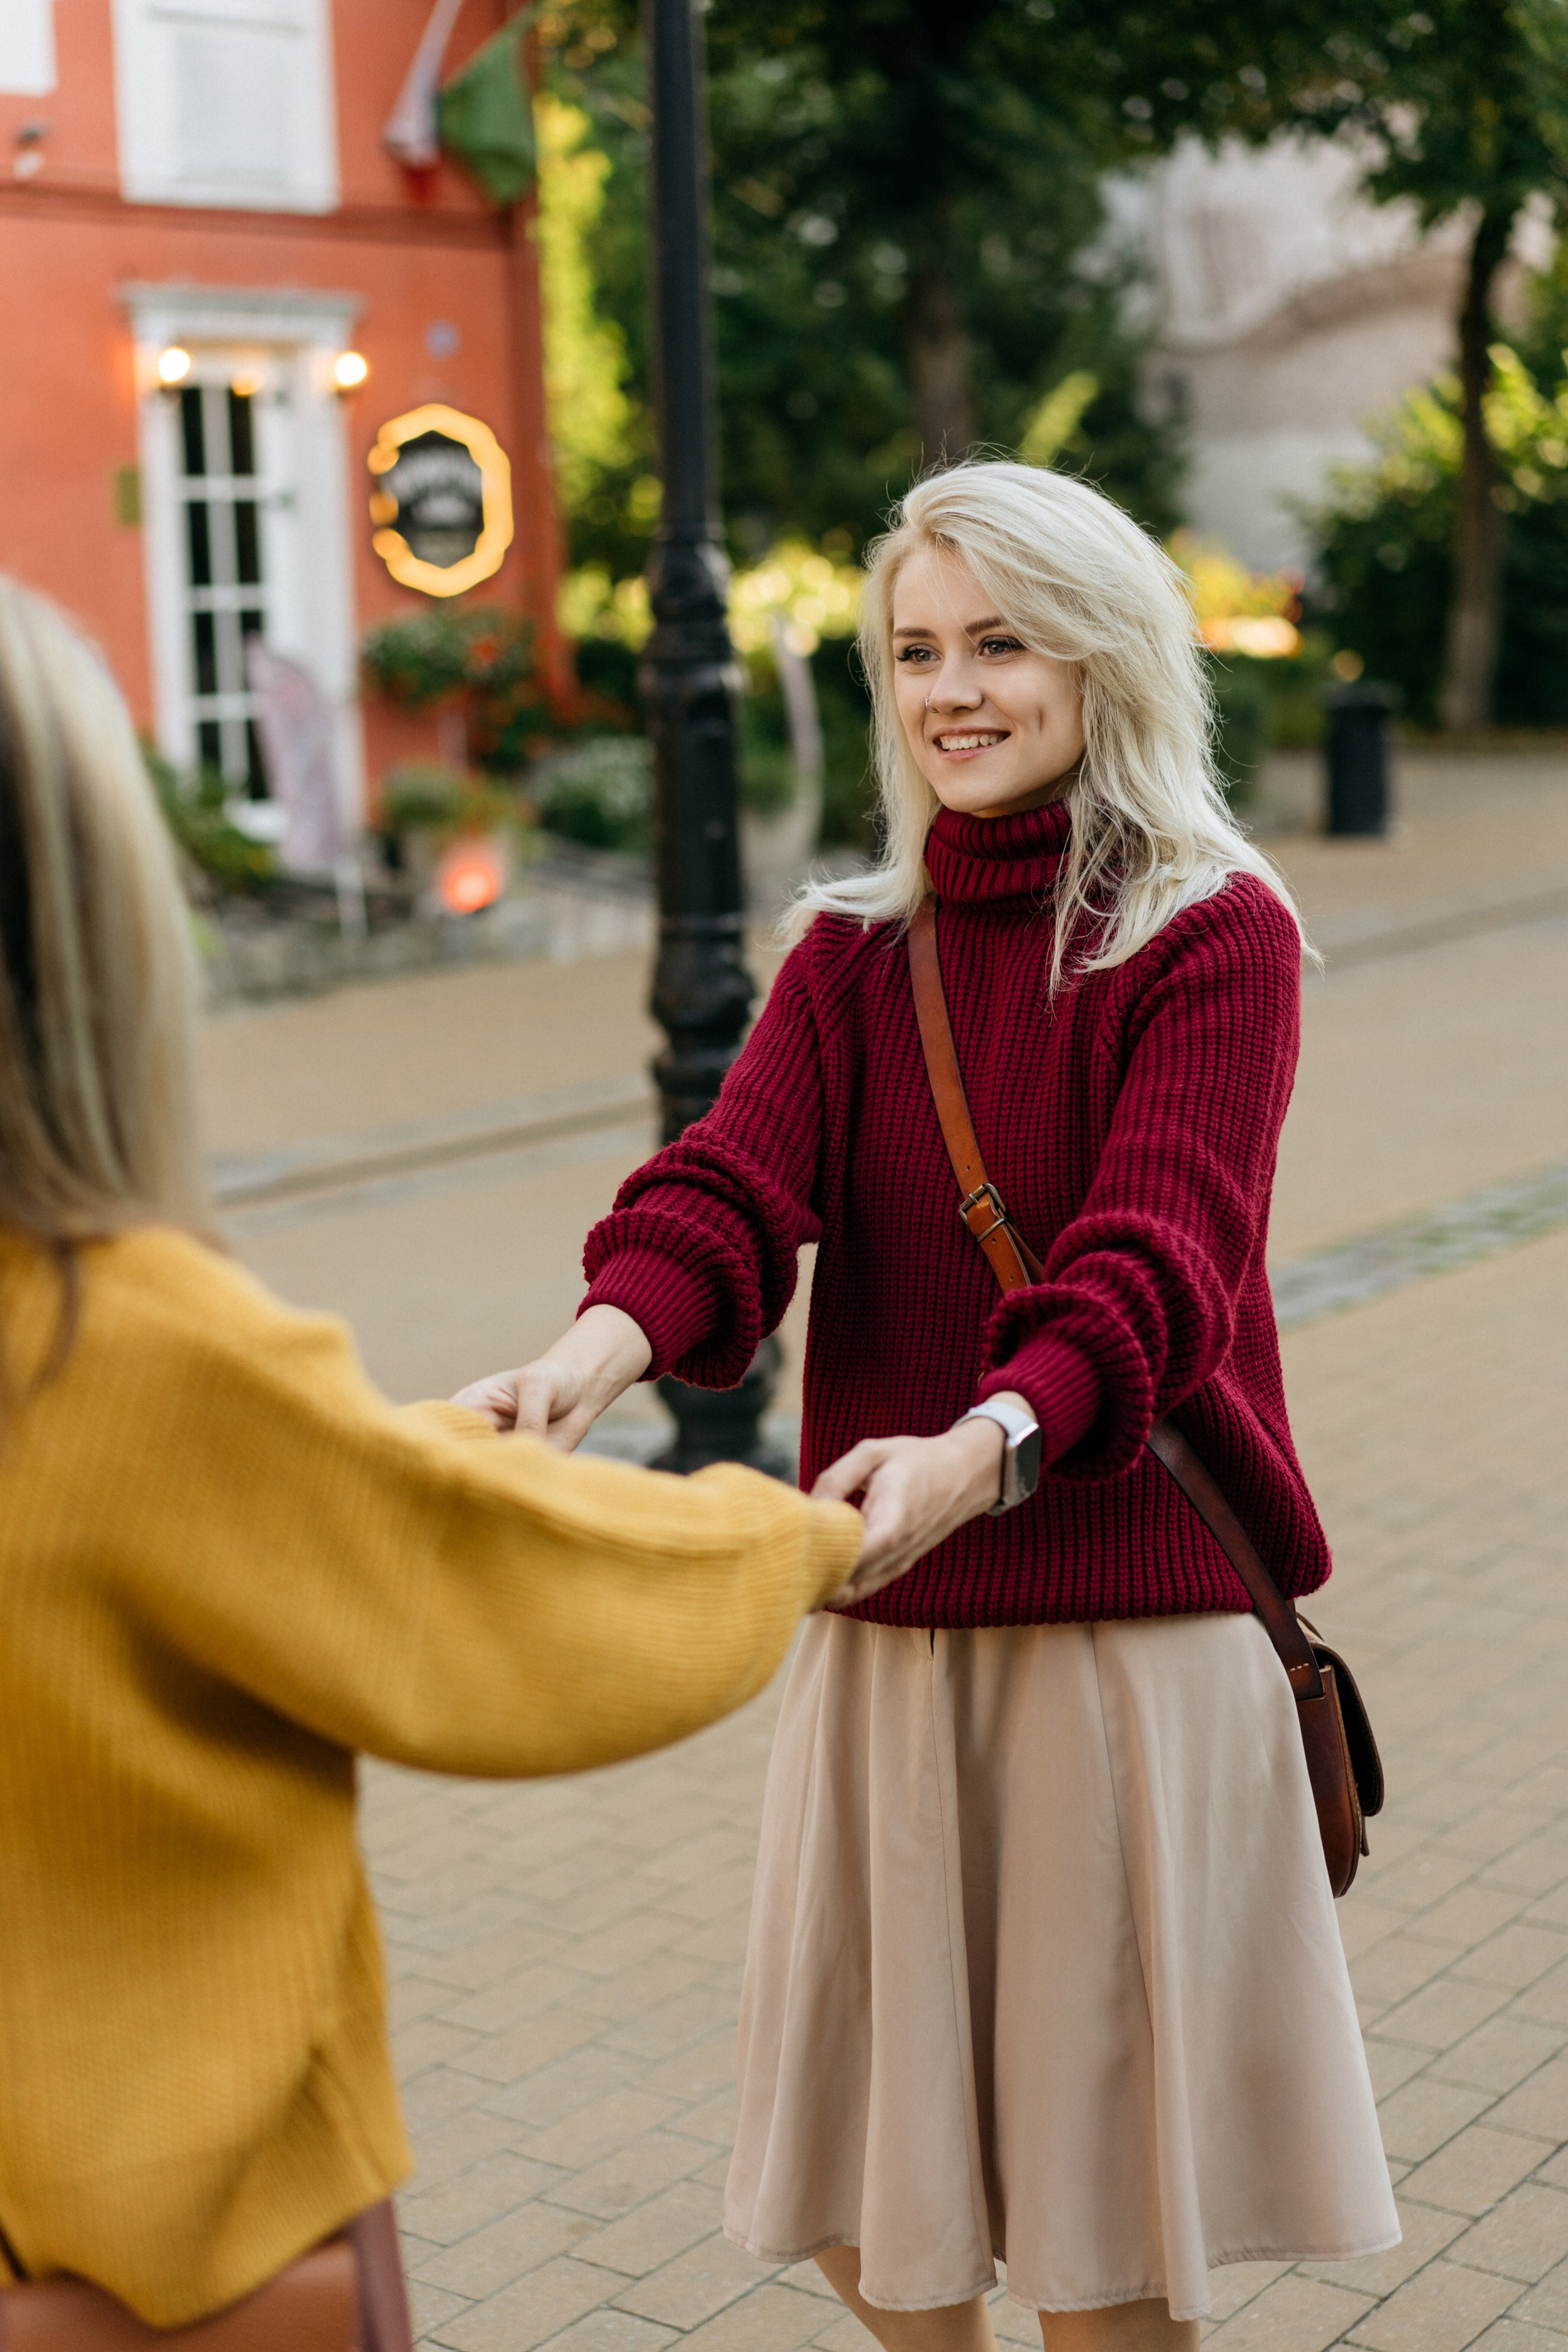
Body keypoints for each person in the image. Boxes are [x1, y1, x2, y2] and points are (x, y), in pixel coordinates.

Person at [461, 464, 1399, 2351]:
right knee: (867, 2209)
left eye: (1000, 641)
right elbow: (729, 1194)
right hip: (891, 1647)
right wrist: (585, 1357)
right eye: (914, 651)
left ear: (1104, 655)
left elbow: (1158, 1257)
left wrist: (990, 1444)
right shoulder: (850, 955)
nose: (951, 689)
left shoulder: (1206, 933)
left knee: (1104, 2234)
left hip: (1117, 1656)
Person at [0, 576, 902, 2337]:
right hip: (160, 2248)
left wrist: (387, 1444)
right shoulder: (120, 1338)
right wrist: (795, 1535)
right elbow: (496, 1609)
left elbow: (148, 1528)